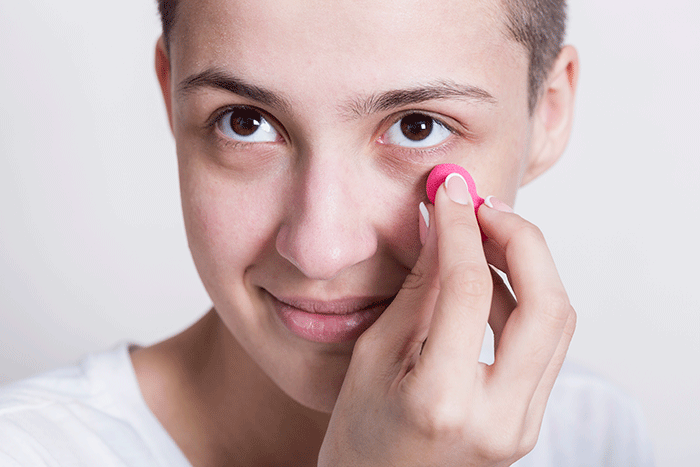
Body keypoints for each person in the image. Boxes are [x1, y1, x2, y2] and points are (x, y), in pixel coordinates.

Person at [0, 0, 654, 465]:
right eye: (245, 121)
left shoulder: (596, 436)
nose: (321, 249)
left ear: (548, 113)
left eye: (417, 126)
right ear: (172, 96)